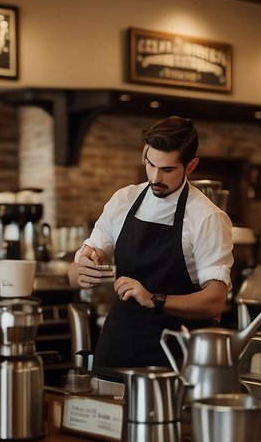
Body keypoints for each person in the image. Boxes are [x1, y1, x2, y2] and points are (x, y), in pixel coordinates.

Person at [69, 116, 233, 370]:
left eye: (167, 170)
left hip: (174, 356)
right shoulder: (123, 200)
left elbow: (215, 301)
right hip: (117, 345)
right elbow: (75, 271)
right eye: (150, 164)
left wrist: (154, 299)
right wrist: (81, 269)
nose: (155, 177)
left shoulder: (207, 217)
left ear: (190, 166)